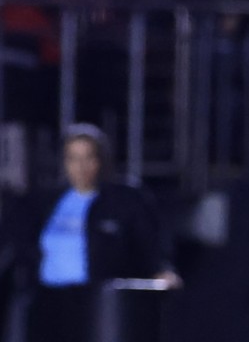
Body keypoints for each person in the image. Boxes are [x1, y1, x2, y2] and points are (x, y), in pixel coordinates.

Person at [21, 123, 180, 342]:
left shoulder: (125, 200)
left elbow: (150, 245)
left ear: (102, 160)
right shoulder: (48, 200)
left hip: (101, 305)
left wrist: (162, 270)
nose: (81, 166)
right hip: (50, 302)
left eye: (89, 157)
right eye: (73, 158)